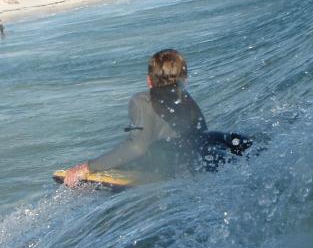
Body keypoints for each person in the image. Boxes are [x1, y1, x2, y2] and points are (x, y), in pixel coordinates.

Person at [64, 49, 209, 187]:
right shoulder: (188, 101)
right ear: (185, 80)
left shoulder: (141, 100)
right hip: (189, 171)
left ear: (149, 80)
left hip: (159, 173)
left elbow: (137, 147)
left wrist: (88, 167)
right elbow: (202, 139)